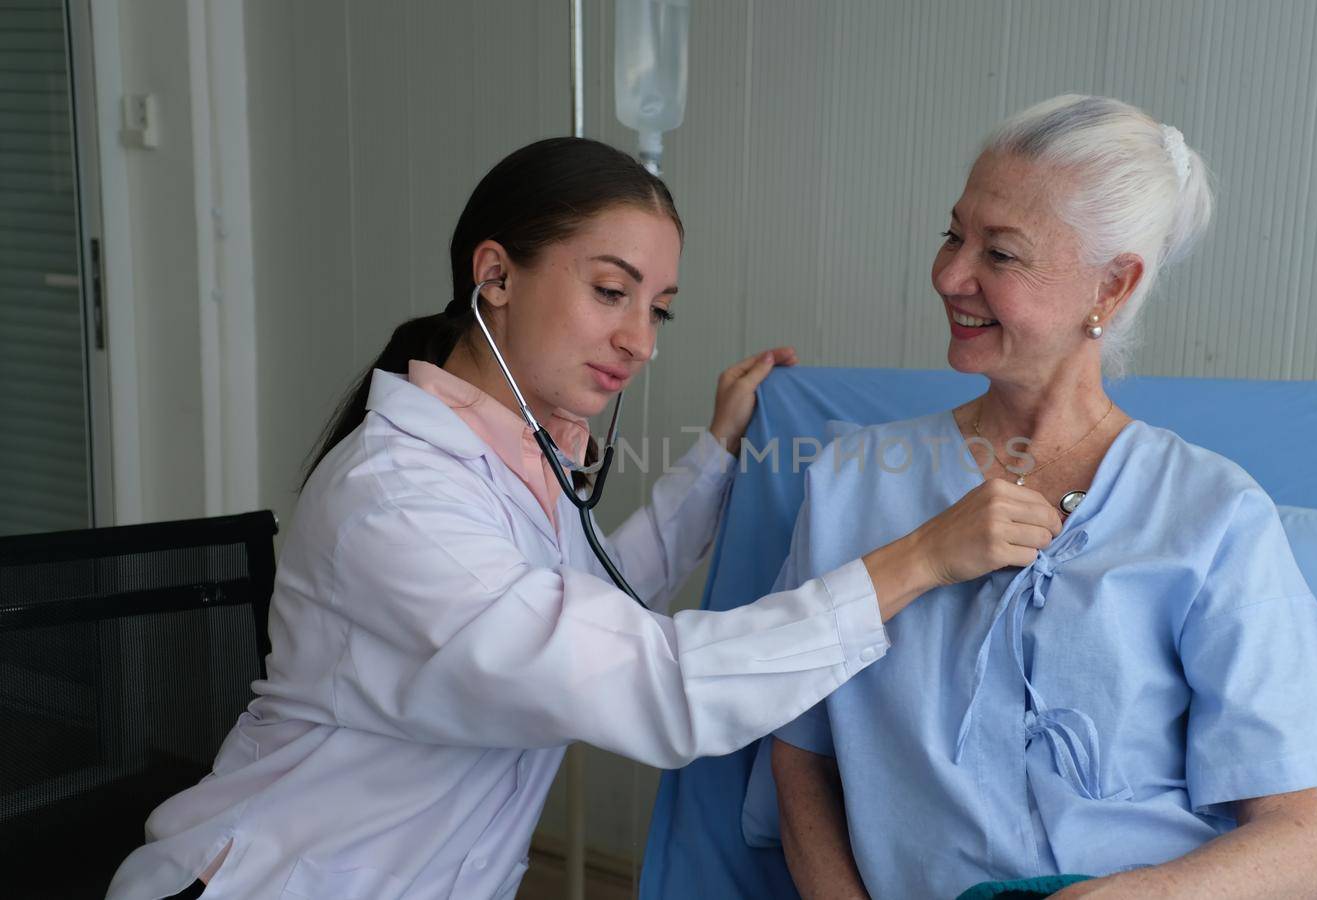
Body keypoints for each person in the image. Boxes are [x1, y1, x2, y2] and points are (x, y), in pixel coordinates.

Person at [107, 137, 1064, 900]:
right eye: (610, 291)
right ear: (497, 276)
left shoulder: (517, 456)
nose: (638, 341)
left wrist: (720, 452)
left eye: (660, 310)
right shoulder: (396, 500)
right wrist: (920, 560)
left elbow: (599, 596)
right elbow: (656, 684)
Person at [767, 95, 1317, 900]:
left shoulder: (1212, 513)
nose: (949, 275)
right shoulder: (855, 482)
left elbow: (1300, 848)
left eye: (1002, 254)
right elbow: (799, 755)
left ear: (1113, 285)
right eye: (953, 233)